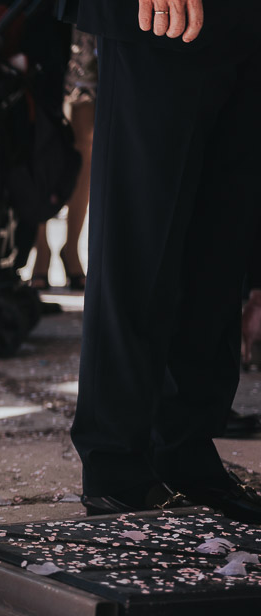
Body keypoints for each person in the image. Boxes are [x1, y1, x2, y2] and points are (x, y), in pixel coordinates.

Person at [61, 0, 261, 522]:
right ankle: (114, 460)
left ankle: (185, 446)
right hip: (160, 17)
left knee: (220, 245)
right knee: (141, 237)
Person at [29, 29, 95, 291]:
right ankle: (40, 251)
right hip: (44, 21)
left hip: (87, 31)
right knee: (40, 143)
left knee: (85, 145)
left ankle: (72, 250)